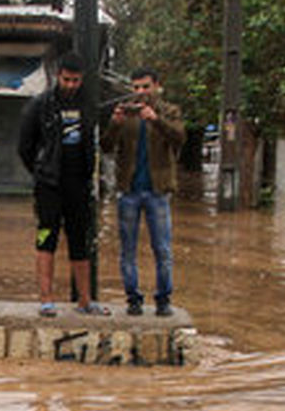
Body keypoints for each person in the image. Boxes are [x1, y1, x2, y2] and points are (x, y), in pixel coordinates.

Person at [18, 52, 106, 318]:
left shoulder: (87, 104)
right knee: (46, 238)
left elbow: (95, 140)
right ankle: (46, 299)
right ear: (59, 76)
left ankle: (85, 300)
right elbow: (24, 147)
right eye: (67, 80)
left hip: (79, 184)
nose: (71, 85)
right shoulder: (40, 105)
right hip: (49, 185)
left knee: (81, 241)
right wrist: (41, 172)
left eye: (76, 80)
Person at [102, 67, 185, 317]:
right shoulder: (126, 114)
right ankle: (133, 300)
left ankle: (163, 300)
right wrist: (114, 124)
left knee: (162, 249)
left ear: (156, 86)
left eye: (145, 87)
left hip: (158, 192)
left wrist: (155, 120)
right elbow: (106, 146)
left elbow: (179, 139)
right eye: (136, 87)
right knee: (127, 250)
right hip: (128, 191)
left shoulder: (170, 111)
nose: (140, 92)